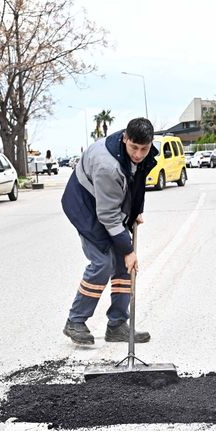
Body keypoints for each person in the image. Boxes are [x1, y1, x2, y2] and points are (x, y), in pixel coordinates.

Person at [60, 118, 158, 345]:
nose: (138, 154)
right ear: (125, 138)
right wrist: (128, 249)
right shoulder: (107, 165)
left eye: (144, 149)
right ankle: (75, 321)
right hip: (86, 206)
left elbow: (136, 184)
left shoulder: (144, 152)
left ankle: (117, 326)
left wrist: (135, 212)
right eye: (134, 147)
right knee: (103, 262)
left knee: (125, 265)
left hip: (107, 204)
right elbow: (107, 215)